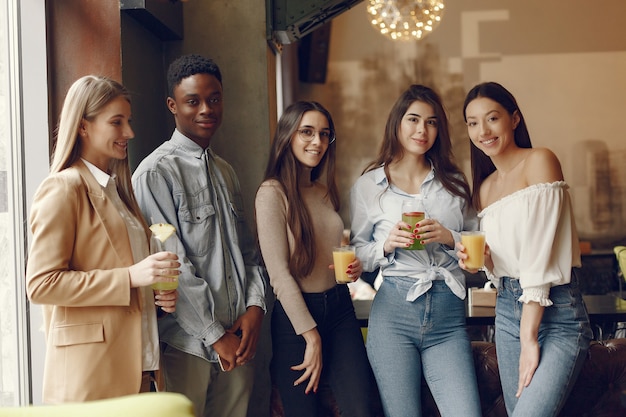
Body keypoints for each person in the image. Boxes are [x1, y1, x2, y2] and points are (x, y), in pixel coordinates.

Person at [26, 75, 179, 404]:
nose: (130, 133)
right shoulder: (63, 188)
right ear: (84, 127)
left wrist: (156, 299)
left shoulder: (120, 193)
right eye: (117, 122)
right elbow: (41, 285)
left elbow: (126, 281)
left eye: (129, 121)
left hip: (142, 369)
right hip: (93, 375)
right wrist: (129, 277)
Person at [132, 54, 266, 417]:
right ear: (173, 106)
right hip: (187, 344)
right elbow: (170, 266)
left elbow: (248, 253)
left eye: (215, 98)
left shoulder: (227, 172)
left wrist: (255, 308)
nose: (207, 109)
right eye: (193, 101)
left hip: (238, 342)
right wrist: (214, 335)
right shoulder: (154, 173)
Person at [459, 81, 592, 416]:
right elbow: (506, 264)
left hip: (557, 313)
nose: (483, 131)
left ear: (514, 119)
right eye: (473, 123)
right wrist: (484, 261)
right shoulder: (485, 188)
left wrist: (529, 336)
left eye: (492, 118)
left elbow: (537, 257)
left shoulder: (540, 161)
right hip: (507, 312)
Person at [350, 85, 482, 417]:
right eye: (413, 119)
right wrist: (386, 245)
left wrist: (449, 237)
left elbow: (479, 251)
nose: (422, 130)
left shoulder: (454, 183)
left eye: (432, 122)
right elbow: (356, 253)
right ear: (397, 123)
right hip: (393, 312)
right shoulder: (369, 186)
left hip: (448, 315)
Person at [255, 101, 377, 417]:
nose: (317, 142)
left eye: (324, 134)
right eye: (307, 132)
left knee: (363, 408)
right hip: (296, 319)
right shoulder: (272, 193)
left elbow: (331, 254)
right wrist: (310, 335)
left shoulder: (323, 190)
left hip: (339, 308)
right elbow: (279, 274)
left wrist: (352, 269)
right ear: (287, 136)